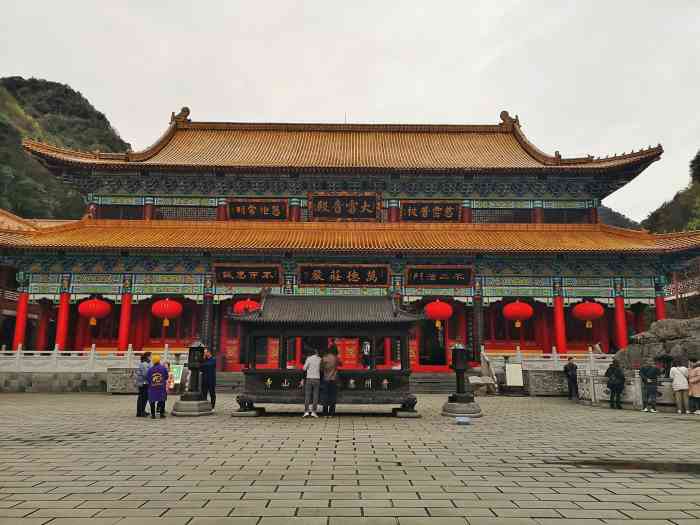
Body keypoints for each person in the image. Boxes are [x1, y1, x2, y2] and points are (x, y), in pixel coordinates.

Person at [322, 343, 342, 417]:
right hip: (334, 379)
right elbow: (340, 364)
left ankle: (325, 413)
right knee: (333, 396)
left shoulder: (325, 357)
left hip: (326, 379)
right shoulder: (336, 358)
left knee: (325, 396)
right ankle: (331, 413)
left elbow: (321, 367)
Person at [147, 354, 169, 419]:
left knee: (152, 400)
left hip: (152, 387)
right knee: (162, 400)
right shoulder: (163, 368)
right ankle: (162, 414)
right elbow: (166, 376)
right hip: (161, 387)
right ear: (159, 361)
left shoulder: (150, 369)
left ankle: (153, 414)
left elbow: (148, 378)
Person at [303, 347, 322, 418]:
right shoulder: (320, 359)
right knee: (315, 395)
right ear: (317, 353)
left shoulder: (309, 359)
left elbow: (304, 368)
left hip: (309, 378)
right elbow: (321, 369)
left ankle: (306, 411)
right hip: (317, 379)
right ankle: (314, 412)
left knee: (307, 395)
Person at [135, 352, 151, 417]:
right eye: (150, 356)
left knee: (141, 398)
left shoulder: (144, 364)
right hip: (144, 383)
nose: (151, 358)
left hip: (142, 383)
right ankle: (141, 412)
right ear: (147, 357)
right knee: (143, 398)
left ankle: (141, 411)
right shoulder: (145, 364)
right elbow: (146, 374)